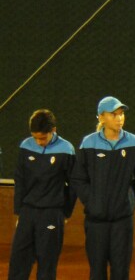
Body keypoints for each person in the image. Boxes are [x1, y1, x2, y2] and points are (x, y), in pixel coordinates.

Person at [71, 96, 135, 280]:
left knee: (121, 271)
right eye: (113, 114)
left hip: (122, 221)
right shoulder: (88, 143)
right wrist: (93, 201)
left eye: (121, 114)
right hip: (96, 222)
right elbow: (79, 179)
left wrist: (127, 198)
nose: (119, 118)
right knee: (97, 272)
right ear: (101, 117)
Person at [9, 109, 76, 280]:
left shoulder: (67, 149)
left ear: (53, 130)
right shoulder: (25, 146)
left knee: (47, 263)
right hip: (28, 212)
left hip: (52, 213)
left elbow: (73, 184)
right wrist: (20, 211)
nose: (39, 142)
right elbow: (20, 179)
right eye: (35, 137)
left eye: (43, 138)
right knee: (18, 261)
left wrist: (65, 212)